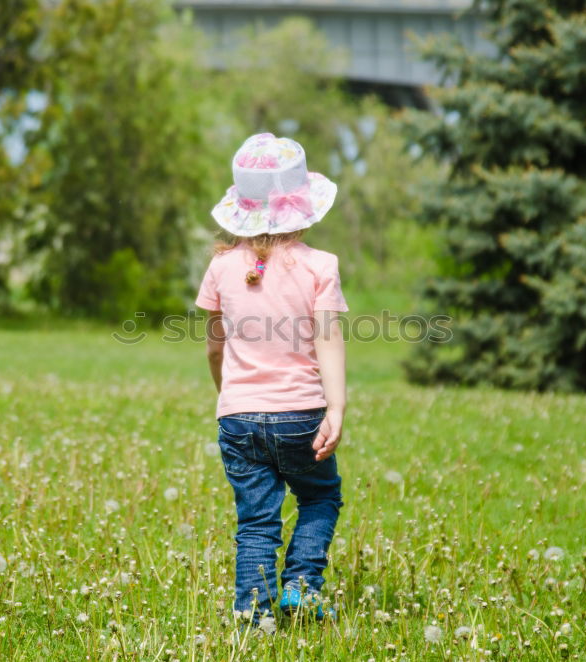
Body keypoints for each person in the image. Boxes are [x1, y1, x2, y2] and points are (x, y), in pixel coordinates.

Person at [194, 132, 347, 631]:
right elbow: (328, 340)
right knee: (320, 497)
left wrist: (227, 394)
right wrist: (336, 409)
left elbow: (215, 346)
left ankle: (253, 615)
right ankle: (300, 586)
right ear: (301, 206)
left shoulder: (220, 267)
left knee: (256, 522)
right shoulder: (320, 266)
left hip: (237, 415)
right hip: (300, 414)